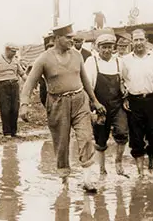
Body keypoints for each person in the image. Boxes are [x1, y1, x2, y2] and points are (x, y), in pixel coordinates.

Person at [19, 23, 106, 192]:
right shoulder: (43, 59)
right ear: (57, 38)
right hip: (58, 103)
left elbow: (85, 80)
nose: (72, 41)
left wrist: (95, 101)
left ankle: (87, 180)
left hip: (80, 100)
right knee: (61, 142)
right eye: (68, 38)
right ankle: (64, 179)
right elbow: (29, 84)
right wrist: (24, 105)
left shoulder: (77, 56)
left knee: (86, 137)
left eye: (73, 38)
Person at [121, 29, 153, 176]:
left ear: (146, 40)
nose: (139, 43)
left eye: (141, 39)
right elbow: (121, 82)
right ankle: (140, 172)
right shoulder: (125, 60)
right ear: (132, 42)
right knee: (136, 138)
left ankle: (151, 163)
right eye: (135, 40)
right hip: (134, 103)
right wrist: (125, 98)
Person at [84, 33, 128, 176]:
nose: (107, 50)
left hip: (117, 105)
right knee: (100, 138)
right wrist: (94, 105)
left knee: (122, 132)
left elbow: (125, 81)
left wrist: (125, 92)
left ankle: (118, 161)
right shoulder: (92, 62)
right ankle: (102, 169)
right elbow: (88, 86)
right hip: (99, 105)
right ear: (98, 48)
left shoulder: (119, 62)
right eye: (104, 47)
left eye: (110, 47)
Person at [0, 43, 27, 137]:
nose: (14, 53)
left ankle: (14, 131)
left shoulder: (16, 61)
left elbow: (22, 74)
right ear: (7, 50)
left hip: (14, 85)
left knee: (15, 108)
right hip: (2, 85)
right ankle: (7, 132)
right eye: (12, 51)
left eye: (15, 51)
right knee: (5, 109)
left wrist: (29, 83)